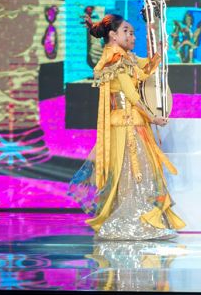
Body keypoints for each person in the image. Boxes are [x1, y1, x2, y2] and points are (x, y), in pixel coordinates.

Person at [69, 14, 185, 240]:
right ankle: (133, 222)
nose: (132, 36)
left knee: (141, 171)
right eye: (127, 32)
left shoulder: (127, 57)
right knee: (133, 172)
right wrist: (152, 117)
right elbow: (131, 95)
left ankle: (142, 220)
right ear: (113, 35)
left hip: (134, 122)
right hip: (125, 124)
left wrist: (158, 43)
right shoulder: (115, 59)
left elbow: (146, 69)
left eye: (133, 32)